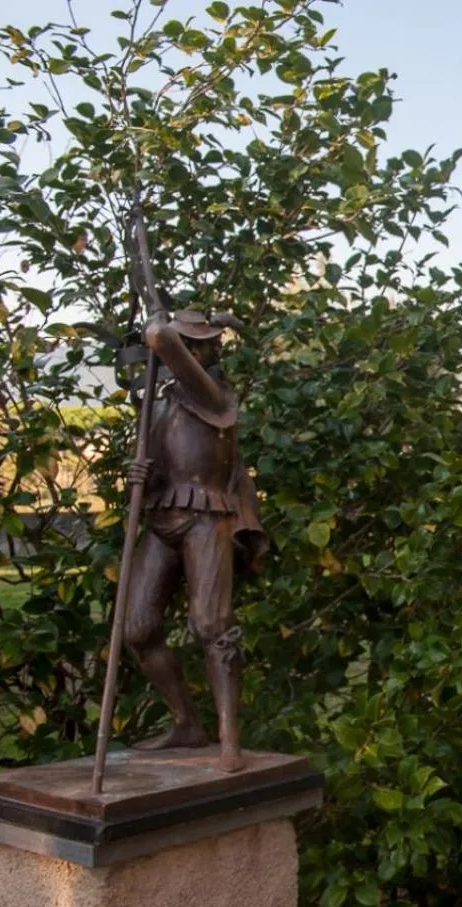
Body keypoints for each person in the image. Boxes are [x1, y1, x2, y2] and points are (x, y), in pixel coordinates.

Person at [122, 308, 264, 773]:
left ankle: (230, 737)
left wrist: (165, 320)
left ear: (209, 352)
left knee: (211, 624)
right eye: (191, 345)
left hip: (207, 517)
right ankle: (186, 723)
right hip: (163, 516)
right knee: (139, 629)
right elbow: (161, 466)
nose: (192, 352)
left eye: (199, 345)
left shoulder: (213, 394)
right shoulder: (159, 404)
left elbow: (159, 335)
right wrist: (139, 475)